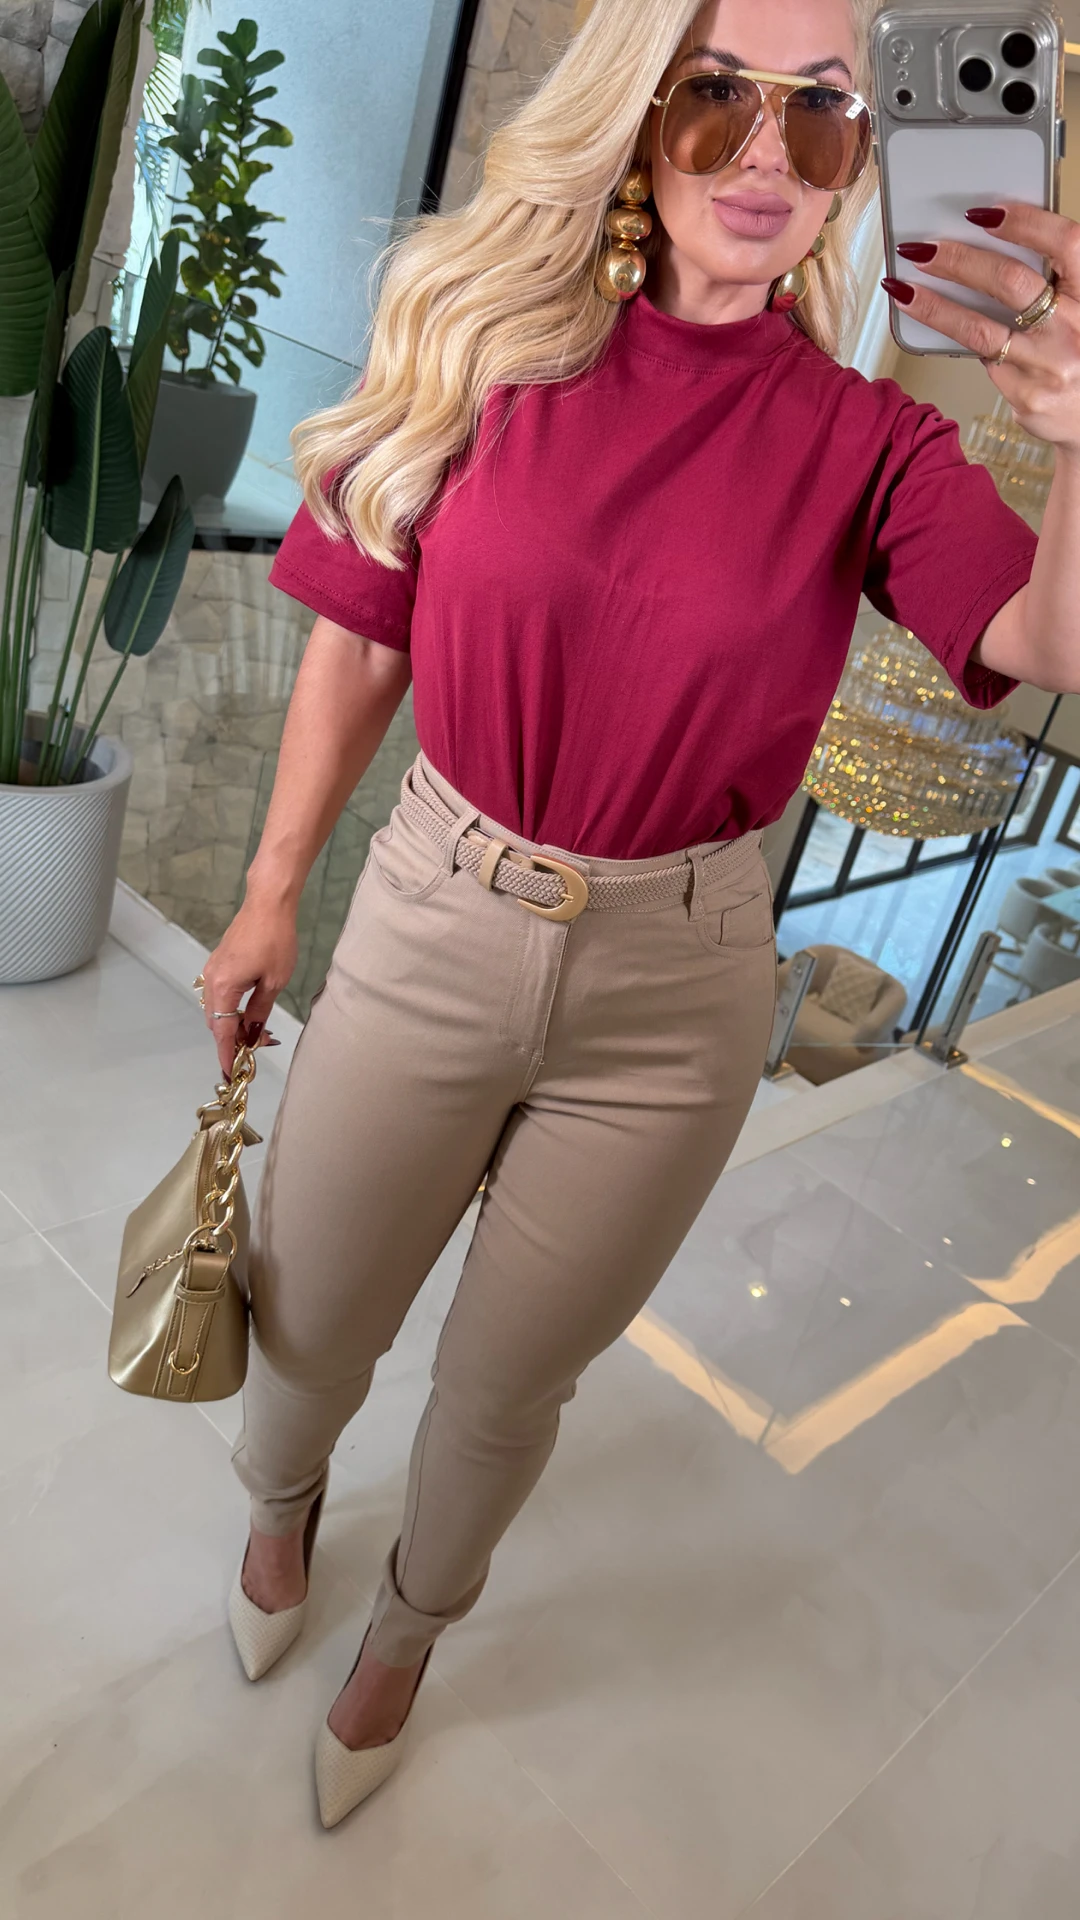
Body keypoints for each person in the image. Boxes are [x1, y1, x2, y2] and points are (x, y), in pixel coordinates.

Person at [200, 0, 1080, 1830]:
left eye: (822, 117)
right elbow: (362, 636)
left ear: (862, 167)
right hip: (436, 912)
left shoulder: (871, 444)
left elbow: (1040, 642)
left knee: (508, 1387)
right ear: (638, 113)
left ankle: (409, 1632)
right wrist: (271, 891)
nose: (767, 153)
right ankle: (280, 1511)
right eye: (718, 99)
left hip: (678, 986)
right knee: (309, 1309)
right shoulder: (484, 343)